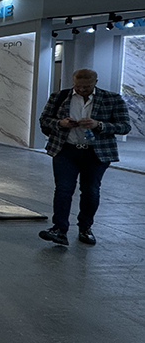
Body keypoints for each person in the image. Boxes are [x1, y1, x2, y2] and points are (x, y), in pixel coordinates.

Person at [38, 68, 131, 246]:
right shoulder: (59, 97)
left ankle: (85, 228)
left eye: (86, 87)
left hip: (96, 153)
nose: (81, 90)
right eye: (78, 86)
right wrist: (60, 123)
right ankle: (59, 229)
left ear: (95, 82)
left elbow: (124, 126)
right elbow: (44, 120)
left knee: (90, 191)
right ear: (73, 82)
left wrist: (99, 125)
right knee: (63, 190)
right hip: (66, 150)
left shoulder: (112, 98)